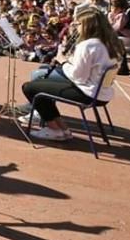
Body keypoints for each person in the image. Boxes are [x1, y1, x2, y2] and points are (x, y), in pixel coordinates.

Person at [20, 10, 121, 141]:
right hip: (101, 92)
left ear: (87, 26)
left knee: (30, 87)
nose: (76, 26)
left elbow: (78, 76)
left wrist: (63, 61)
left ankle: (54, 129)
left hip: (88, 93)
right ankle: (62, 129)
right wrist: (71, 60)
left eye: (78, 24)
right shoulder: (109, 43)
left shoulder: (88, 45)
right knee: (40, 86)